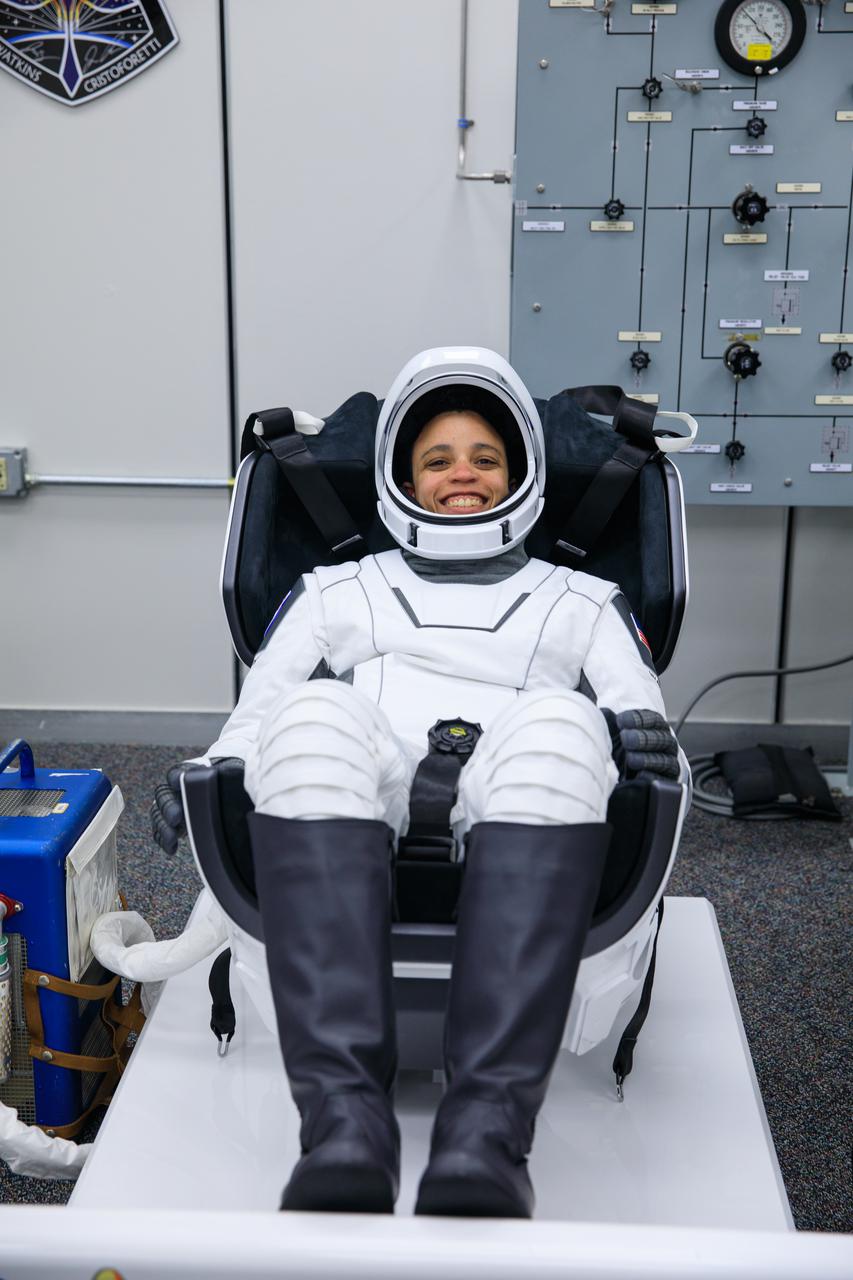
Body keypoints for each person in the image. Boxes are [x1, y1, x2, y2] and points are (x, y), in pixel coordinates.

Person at [152, 347, 683, 1219]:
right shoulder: (332, 591)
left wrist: (649, 755)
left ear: (521, 475)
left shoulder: (582, 600)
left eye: (485, 458)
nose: (462, 475)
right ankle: (342, 1127)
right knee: (311, 721)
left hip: (520, 786)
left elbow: (647, 733)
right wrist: (210, 774)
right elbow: (259, 712)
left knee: (563, 726)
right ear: (401, 476)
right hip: (367, 784)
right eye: (437, 459)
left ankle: (486, 1135)